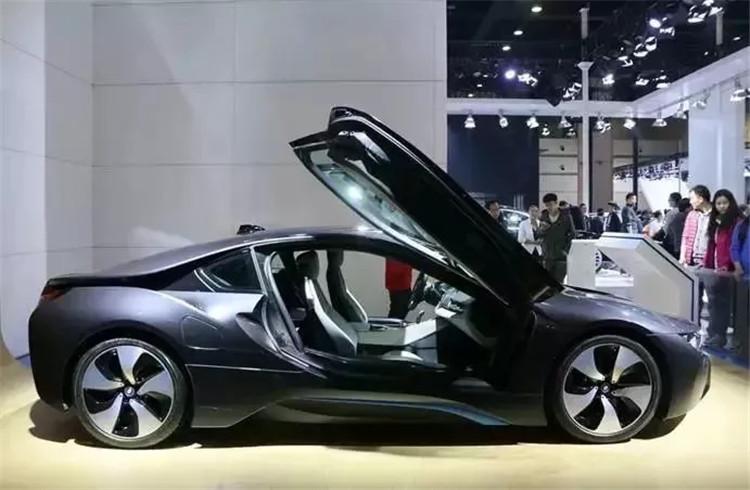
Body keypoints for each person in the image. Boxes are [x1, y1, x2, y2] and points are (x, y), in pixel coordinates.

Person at [703, 190, 742, 348]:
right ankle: (715, 334)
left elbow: (734, 247)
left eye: (725, 203)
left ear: (731, 203)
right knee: (715, 303)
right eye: (718, 203)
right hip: (716, 270)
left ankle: (725, 337)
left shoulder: (737, 222)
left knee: (728, 305)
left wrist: (730, 265)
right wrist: (707, 265)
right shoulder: (716, 222)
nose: (722, 206)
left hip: (732, 271)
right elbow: (712, 246)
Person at [538, 193, 576, 283]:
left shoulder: (566, 217)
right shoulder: (544, 216)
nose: (549, 207)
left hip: (561, 254)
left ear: (556, 203)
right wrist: (542, 230)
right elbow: (539, 234)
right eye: (547, 205)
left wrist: (566, 250)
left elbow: (572, 233)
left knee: (559, 281)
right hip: (547, 255)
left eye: (551, 204)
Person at [680, 185, 713, 267]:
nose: (690, 202)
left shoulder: (716, 216)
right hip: (691, 261)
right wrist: (682, 256)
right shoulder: (691, 215)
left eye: (692, 198)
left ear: (701, 199)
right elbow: (685, 237)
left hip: (709, 262)